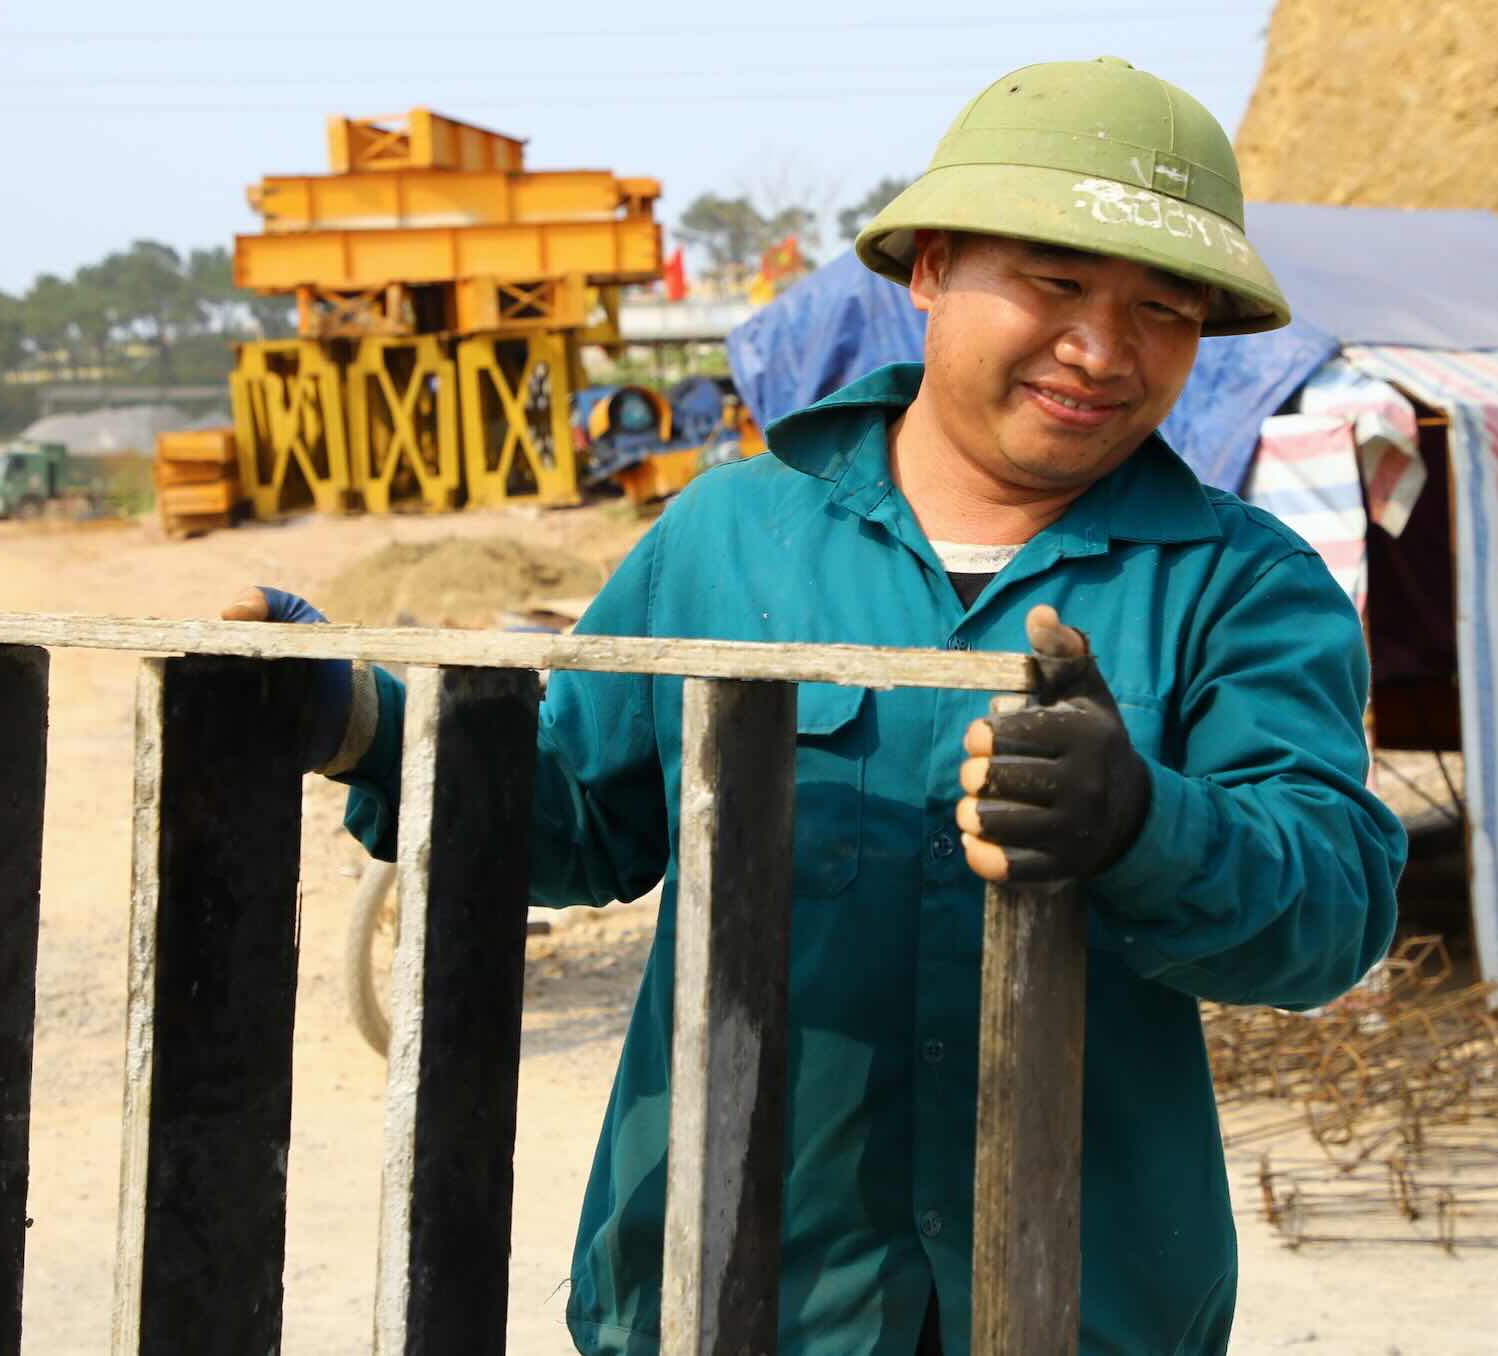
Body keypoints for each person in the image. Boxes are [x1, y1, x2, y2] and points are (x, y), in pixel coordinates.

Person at [228, 56, 1405, 1356]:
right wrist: (362, 723)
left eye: (1163, 311)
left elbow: (1331, 912)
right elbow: (574, 811)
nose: (1102, 350)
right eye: (1057, 286)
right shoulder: (733, 536)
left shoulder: (1242, 585)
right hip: (728, 1287)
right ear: (931, 268)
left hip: (1079, 1304)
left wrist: (1144, 824)